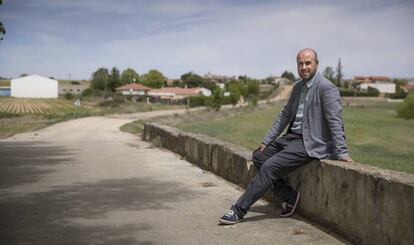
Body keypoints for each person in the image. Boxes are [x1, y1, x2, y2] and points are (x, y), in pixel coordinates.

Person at [219, 48, 353, 225]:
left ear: (316, 64)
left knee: (269, 167)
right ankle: (289, 196)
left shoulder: (327, 88)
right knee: (259, 156)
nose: (304, 67)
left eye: (308, 63)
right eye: (300, 63)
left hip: (309, 143)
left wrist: (342, 152)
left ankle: (238, 210)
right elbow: (284, 115)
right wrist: (266, 140)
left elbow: (335, 122)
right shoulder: (298, 87)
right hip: (291, 138)